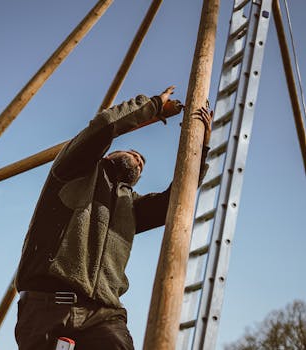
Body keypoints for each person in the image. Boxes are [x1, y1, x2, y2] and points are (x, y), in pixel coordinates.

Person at [14, 86, 212, 350]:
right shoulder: (72, 171)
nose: (140, 160)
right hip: (49, 306)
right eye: (133, 153)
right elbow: (104, 126)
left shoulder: (130, 206)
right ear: (107, 154)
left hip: (104, 315)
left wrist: (200, 148)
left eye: (142, 164)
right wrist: (152, 106)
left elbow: (175, 202)